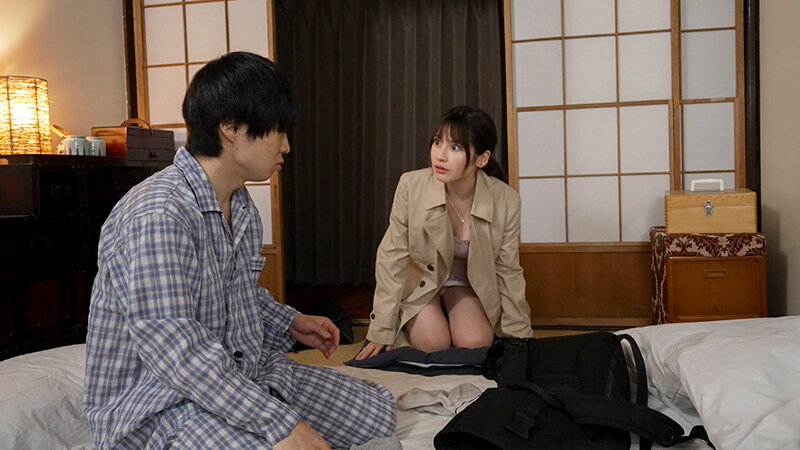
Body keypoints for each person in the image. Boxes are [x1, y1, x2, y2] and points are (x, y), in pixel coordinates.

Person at [84, 52, 396, 449]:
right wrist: (278, 422)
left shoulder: (241, 205)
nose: (286, 146)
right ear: (231, 127)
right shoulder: (159, 213)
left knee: (377, 413)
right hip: (161, 403)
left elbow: (236, 295)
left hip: (241, 374)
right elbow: (177, 350)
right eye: (278, 131)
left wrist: (290, 321)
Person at [357, 106, 534, 360]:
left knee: (475, 344)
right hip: (421, 283)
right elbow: (391, 257)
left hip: (465, 284)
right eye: (437, 142)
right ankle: (413, 321)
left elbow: (508, 270)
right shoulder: (410, 186)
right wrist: (381, 327)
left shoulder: (506, 200)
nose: (440, 155)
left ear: (482, 159)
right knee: (433, 344)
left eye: (455, 147)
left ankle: (450, 313)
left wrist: (519, 337)